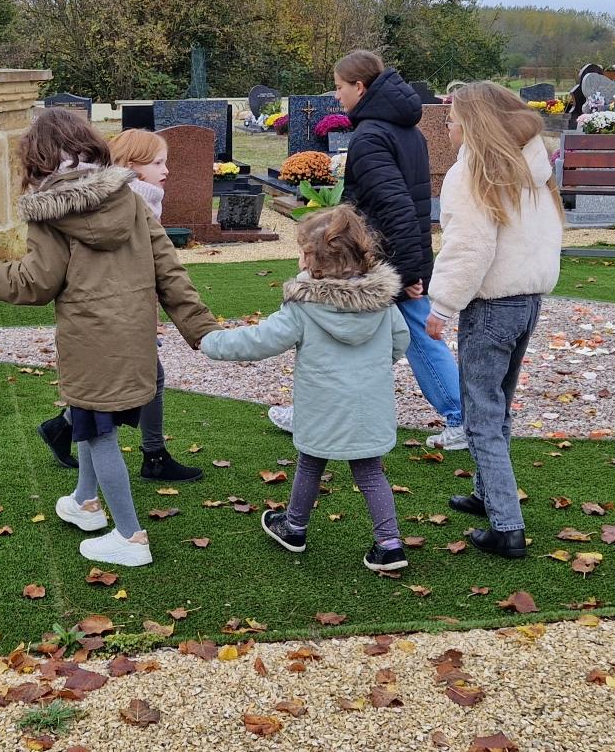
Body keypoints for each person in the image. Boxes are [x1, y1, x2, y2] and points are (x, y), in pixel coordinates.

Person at [0, 109, 220, 567]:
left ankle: (130, 537)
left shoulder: (50, 213)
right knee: (88, 420)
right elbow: (170, 271)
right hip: (134, 337)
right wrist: (201, 329)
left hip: (89, 341)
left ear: (38, 161)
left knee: (98, 433)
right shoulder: (131, 198)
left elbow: (34, 283)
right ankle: (85, 501)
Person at [272, 50, 467, 449]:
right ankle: (464, 417)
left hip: (378, 257)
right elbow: (409, 204)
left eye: (340, 87)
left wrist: (407, 273)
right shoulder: (405, 130)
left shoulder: (371, 137)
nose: (336, 95)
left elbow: (395, 206)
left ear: (360, 87)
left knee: (335, 336)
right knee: (409, 336)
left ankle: (462, 418)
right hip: (397, 253)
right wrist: (414, 267)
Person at [199, 207, 411, 572]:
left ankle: (295, 527)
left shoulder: (303, 307)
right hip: (369, 406)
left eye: (303, 252)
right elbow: (399, 341)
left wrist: (211, 342)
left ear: (316, 262)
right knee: (370, 471)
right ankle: (389, 544)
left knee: (311, 463)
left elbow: (260, 340)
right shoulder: (382, 305)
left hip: (322, 406)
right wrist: (374, 369)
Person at [425, 82, 563, 559]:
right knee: (497, 407)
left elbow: (469, 247)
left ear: (474, 123)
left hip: (491, 306)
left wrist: (442, 305)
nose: (448, 125)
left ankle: (507, 526)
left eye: (453, 118)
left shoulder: (473, 172)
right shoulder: (531, 167)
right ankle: (488, 494)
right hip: (527, 301)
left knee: (480, 415)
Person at [34, 129, 203, 482]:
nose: (166, 170)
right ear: (130, 165)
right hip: (113, 318)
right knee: (126, 385)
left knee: (123, 384)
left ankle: (67, 434)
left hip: (122, 315)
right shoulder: (128, 202)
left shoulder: (141, 199)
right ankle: (149, 456)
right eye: (157, 162)